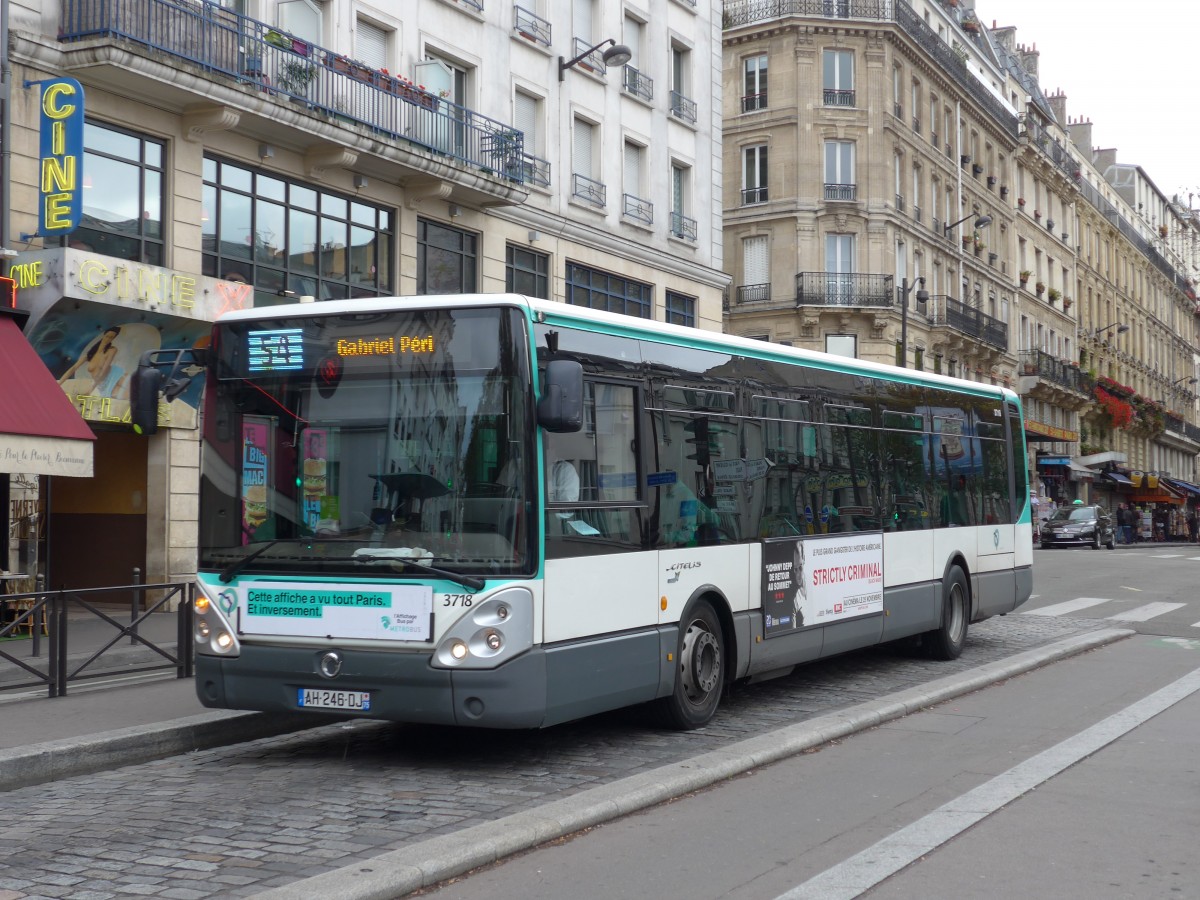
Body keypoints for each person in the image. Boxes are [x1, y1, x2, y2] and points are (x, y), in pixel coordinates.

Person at [57, 326, 122, 396]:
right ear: (104, 335)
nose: (108, 339)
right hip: (100, 385)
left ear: (114, 338)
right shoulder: (89, 355)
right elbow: (73, 368)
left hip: (113, 380)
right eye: (107, 336)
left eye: (112, 337)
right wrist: (59, 383)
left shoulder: (112, 350)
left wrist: (91, 390)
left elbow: (104, 370)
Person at [791, 539, 808, 629]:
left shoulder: (813, 582)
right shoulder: (794, 601)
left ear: (804, 558)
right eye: (795, 569)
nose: (798, 575)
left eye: (800, 567)